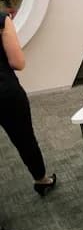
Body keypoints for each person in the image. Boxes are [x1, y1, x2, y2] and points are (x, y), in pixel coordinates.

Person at [0, 12, 56, 198]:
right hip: (5, 92)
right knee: (24, 139)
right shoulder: (2, 19)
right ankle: (41, 180)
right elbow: (18, 62)